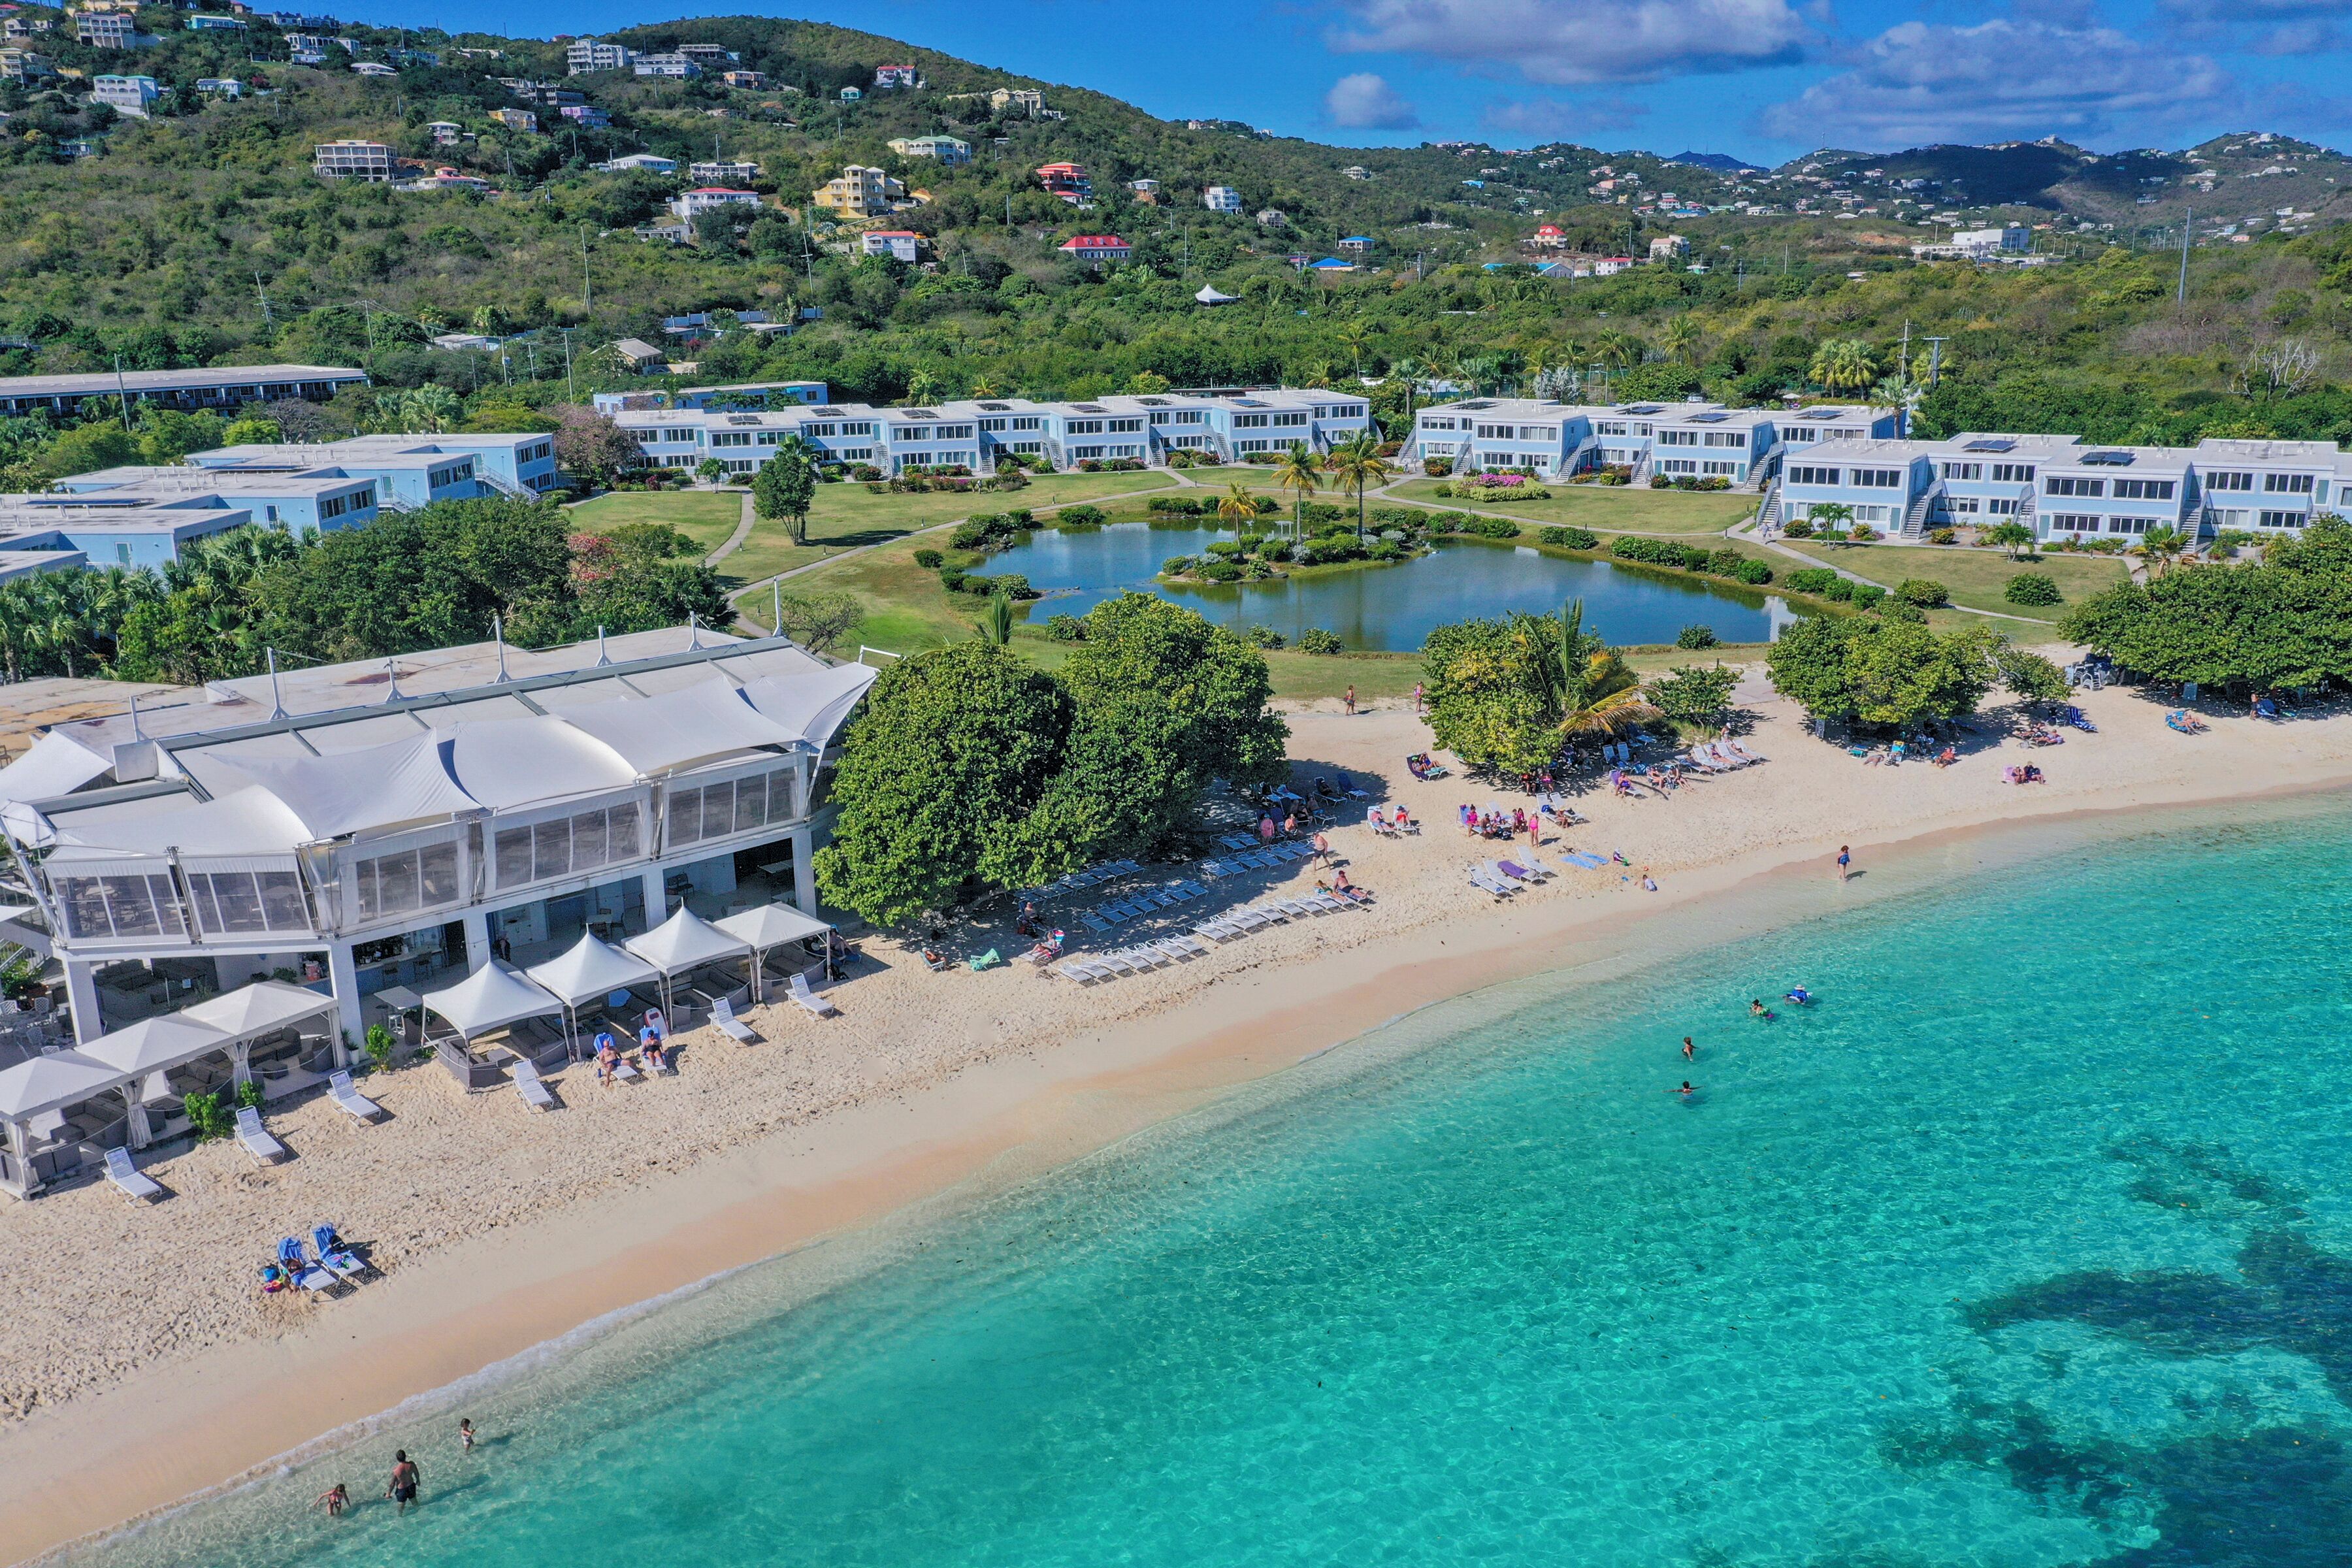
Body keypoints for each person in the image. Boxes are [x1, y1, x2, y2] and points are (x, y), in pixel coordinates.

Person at [387, 1450, 421, 1515]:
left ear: (397, 1459)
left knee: (401, 1506)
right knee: (414, 1502)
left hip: (402, 1490)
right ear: (405, 1456)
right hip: (411, 1486)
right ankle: (419, 1514)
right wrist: (418, 1480)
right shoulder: (411, 1464)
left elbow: (392, 1484)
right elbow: (416, 1473)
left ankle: (400, 1516)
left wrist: (388, 1493)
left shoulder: (396, 1470)